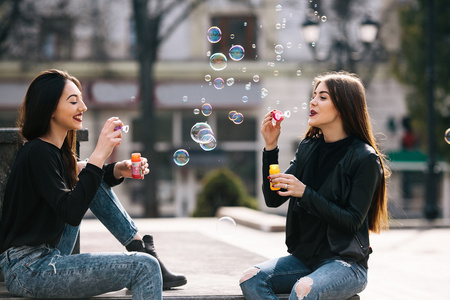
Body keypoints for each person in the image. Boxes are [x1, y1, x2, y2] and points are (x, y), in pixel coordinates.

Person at [0, 69, 186, 299]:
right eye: (73, 101)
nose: (83, 107)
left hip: (44, 256)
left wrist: (118, 169)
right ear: (50, 109)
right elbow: (71, 211)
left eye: (82, 100)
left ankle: (140, 247)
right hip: (29, 268)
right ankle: (146, 257)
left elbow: (87, 178)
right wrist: (99, 154)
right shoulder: (37, 152)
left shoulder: (52, 153)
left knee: (90, 175)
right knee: (144, 267)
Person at [239, 71, 389, 300]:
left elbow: (351, 221)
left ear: (343, 105)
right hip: (304, 260)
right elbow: (274, 199)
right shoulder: (309, 147)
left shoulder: (364, 158)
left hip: (345, 264)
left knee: (304, 289)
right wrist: (270, 148)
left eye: (323, 97)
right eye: (313, 95)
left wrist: (305, 193)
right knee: (250, 279)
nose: (313, 101)